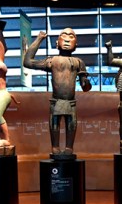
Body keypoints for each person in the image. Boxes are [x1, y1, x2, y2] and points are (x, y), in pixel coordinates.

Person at [23, 28, 92, 156]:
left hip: (70, 102)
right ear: (56, 43)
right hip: (56, 101)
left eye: (71, 36)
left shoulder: (79, 62)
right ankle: (55, 146)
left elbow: (85, 87)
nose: (67, 38)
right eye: (63, 35)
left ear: (75, 45)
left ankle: (69, 147)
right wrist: (39, 39)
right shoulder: (52, 61)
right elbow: (27, 62)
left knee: (71, 125)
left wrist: (86, 82)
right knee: (54, 124)